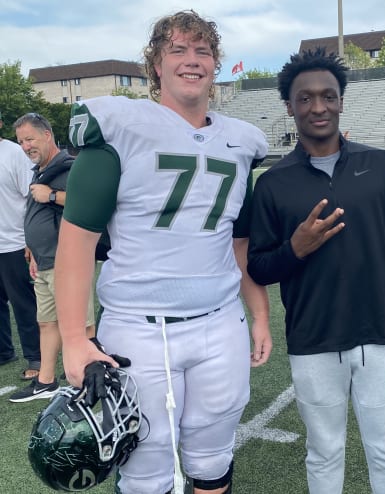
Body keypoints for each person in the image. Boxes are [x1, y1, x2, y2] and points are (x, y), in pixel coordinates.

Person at [55, 10, 272, 494]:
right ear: (156, 64)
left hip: (219, 322)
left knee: (213, 457)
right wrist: (74, 337)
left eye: (202, 51)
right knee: (144, 470)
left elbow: (238, 241)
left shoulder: (239, 142)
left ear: (215, 65)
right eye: (178, 50)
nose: (191, 61)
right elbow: (76, 239)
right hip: (138, 329)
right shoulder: (120, 127)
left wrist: (258, 313)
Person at [247, 48, 385, 494]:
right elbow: (258, 266)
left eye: (327, 96)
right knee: (324, 451)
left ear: (341, 101)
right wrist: (296, 247)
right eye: (305, 98)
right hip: (313, 341)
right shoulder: (272, 184)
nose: (318, 107)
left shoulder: (380, 167)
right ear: (289, 107)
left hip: (381, 335)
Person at [8, 112, 96, 403]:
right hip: (44, 261)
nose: (25, 146)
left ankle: (88, 379)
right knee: (47, 322)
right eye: (20, 141)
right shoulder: (41, 169)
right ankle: (46, 381)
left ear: (47, 134)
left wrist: (50, 196)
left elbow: (88, 203)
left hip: (67, 262)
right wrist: (32, 247)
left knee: (81, 325)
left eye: (30, 139)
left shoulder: (69, 166)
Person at [0, 111, 41, 377]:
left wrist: (31, 240)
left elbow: (33, 196)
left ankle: (36, 359)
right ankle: (3, 352)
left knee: (24, 304)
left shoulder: (13, 153)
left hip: (15, 243)